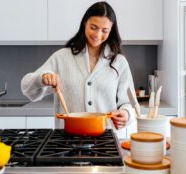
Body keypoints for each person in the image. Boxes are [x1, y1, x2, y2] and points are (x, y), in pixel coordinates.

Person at [21, 1, 136, 130]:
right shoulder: (62, 57)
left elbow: (129, 103)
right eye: (93, 27)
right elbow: (27, 88)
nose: (98, 35)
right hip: (67, 140)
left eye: (105, 30)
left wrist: (126, 114)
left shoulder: (119, 62)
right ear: (84, 23)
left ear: (111, 30)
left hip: (106, 140)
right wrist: (42, 78)